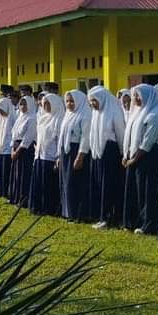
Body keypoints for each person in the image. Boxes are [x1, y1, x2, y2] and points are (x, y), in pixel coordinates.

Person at [121, 83, 158, 235]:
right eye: (134, 95)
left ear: (148, 96)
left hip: (149, 157)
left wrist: (134, 158)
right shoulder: (137, 113)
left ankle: (149, 224)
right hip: (134, 157)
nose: (135, 99)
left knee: (147, 191)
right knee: (135, 190)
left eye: (138, 95)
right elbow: (130, 137)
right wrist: (126, 155)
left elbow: (148, 141)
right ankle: (134, 221)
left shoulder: (154, 115)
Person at [86, 86, 126, 230]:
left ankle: (109, 217)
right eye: (90, 101)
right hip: (97, 153)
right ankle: (100, 215)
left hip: (110, 152)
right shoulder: (96, 113)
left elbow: (121, 134)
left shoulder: (114, 111)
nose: (92, 104)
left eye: (94, 101)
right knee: (98, 185)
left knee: (108, 186)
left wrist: (123, 153)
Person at [59, 90, 93, 223]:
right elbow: (62, 136)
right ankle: (68, 212)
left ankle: (78, 214)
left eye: (72, 101)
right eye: (67, 101)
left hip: (77, 151)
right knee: (66, 183)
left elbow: (85, 137)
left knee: (75, 183)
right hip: (66, 152)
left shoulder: (85, 114)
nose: (69, 104)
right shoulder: (68, 115)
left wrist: (80, 155)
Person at [29, 93, 63, 216]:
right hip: (40, 155)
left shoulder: (58, 119)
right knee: (38, 182)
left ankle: (49, 208)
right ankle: (38, 207)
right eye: (44, 104)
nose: (46, 106)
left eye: (49, 103)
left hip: (50, 157)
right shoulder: (43, 118)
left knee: (49, 184)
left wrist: (58, 157)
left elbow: (60, 140)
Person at [9, 95, 37, 207]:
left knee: (24, 174)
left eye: (24, 104)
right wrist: (12, 149)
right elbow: (13, 134)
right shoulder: (20, 118)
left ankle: (23, 199)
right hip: (16, 148)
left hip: (25, 149)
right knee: (16, 173)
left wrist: (18, 151)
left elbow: (28, 137)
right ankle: (15, 197)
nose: (22, 106)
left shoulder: (32, 118)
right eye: (20, 104)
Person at [0, 86, 17, 200]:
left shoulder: (8, 106)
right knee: (1, 168)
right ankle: (1, 191)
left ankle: (6, 191)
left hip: (7, 142)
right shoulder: (2, 112)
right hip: (1, 143)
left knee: (6, 169)